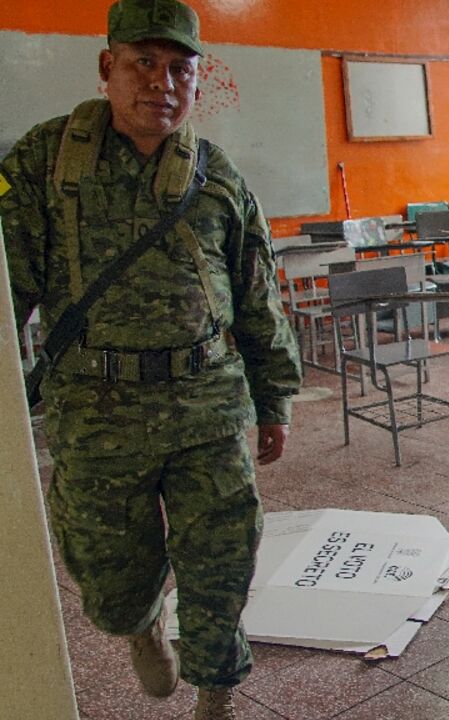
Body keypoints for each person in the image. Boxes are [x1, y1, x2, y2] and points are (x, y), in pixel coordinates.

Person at [1, 1, 301, 717]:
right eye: (143, 63)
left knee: (223, 565)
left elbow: (258, 293)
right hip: (96, 414)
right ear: (108, 68)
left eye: (179, 68)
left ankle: (215, 695)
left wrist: (275, 399)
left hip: (208, 404)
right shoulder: (44, 163)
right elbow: (5, 289)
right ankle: (138, 626)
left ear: (197, 81)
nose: (161, 83)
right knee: (108, 577)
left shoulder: (217, 175)